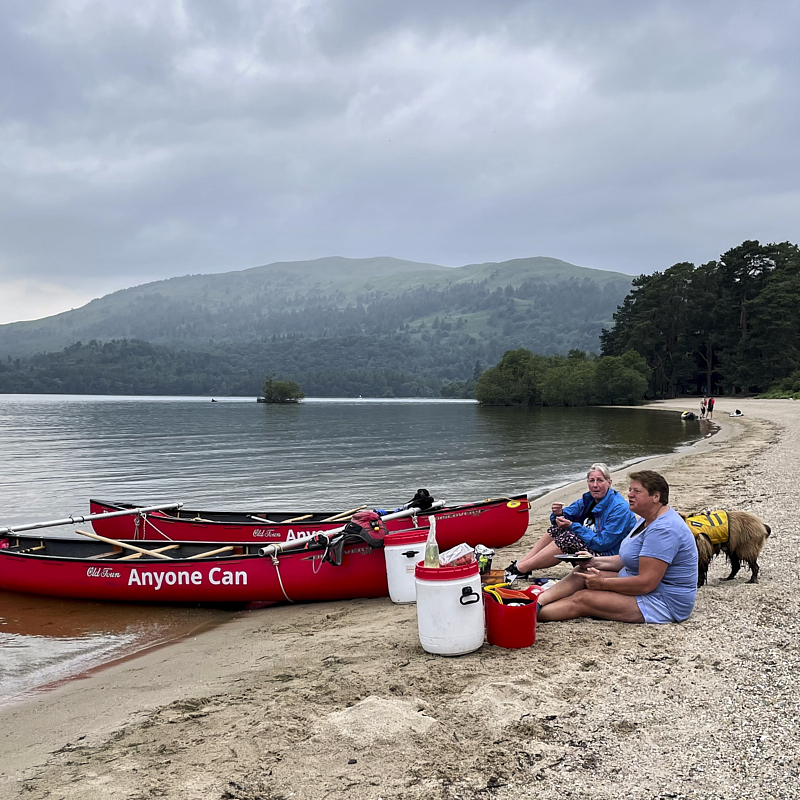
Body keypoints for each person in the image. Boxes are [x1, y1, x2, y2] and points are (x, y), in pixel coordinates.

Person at [537, 470, 698, 624]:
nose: (629, 494)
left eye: (636, 491)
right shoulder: (647, 518)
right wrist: (594, 562)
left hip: (663, 601)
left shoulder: (664, 530)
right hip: (643, 584)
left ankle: (528, 615)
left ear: (656, 497)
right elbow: (629, 559)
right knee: (582, 573)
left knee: (584, 598)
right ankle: (537, 602)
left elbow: (646, 583)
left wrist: (603, 583)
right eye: (630, 490)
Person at [505, 463, 636, 577]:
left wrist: (573, 526)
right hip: (593, 547)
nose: (595, 485)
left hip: (611, 556)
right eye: (591, 481)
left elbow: (603, 543)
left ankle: (522, 568)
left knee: (569, 537)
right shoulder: (588, 500)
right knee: (557, 528)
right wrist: (558, 514)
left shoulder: (619, 508)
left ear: (609, 483)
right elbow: (563, 517)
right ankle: (522, 563)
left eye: (600, 480)